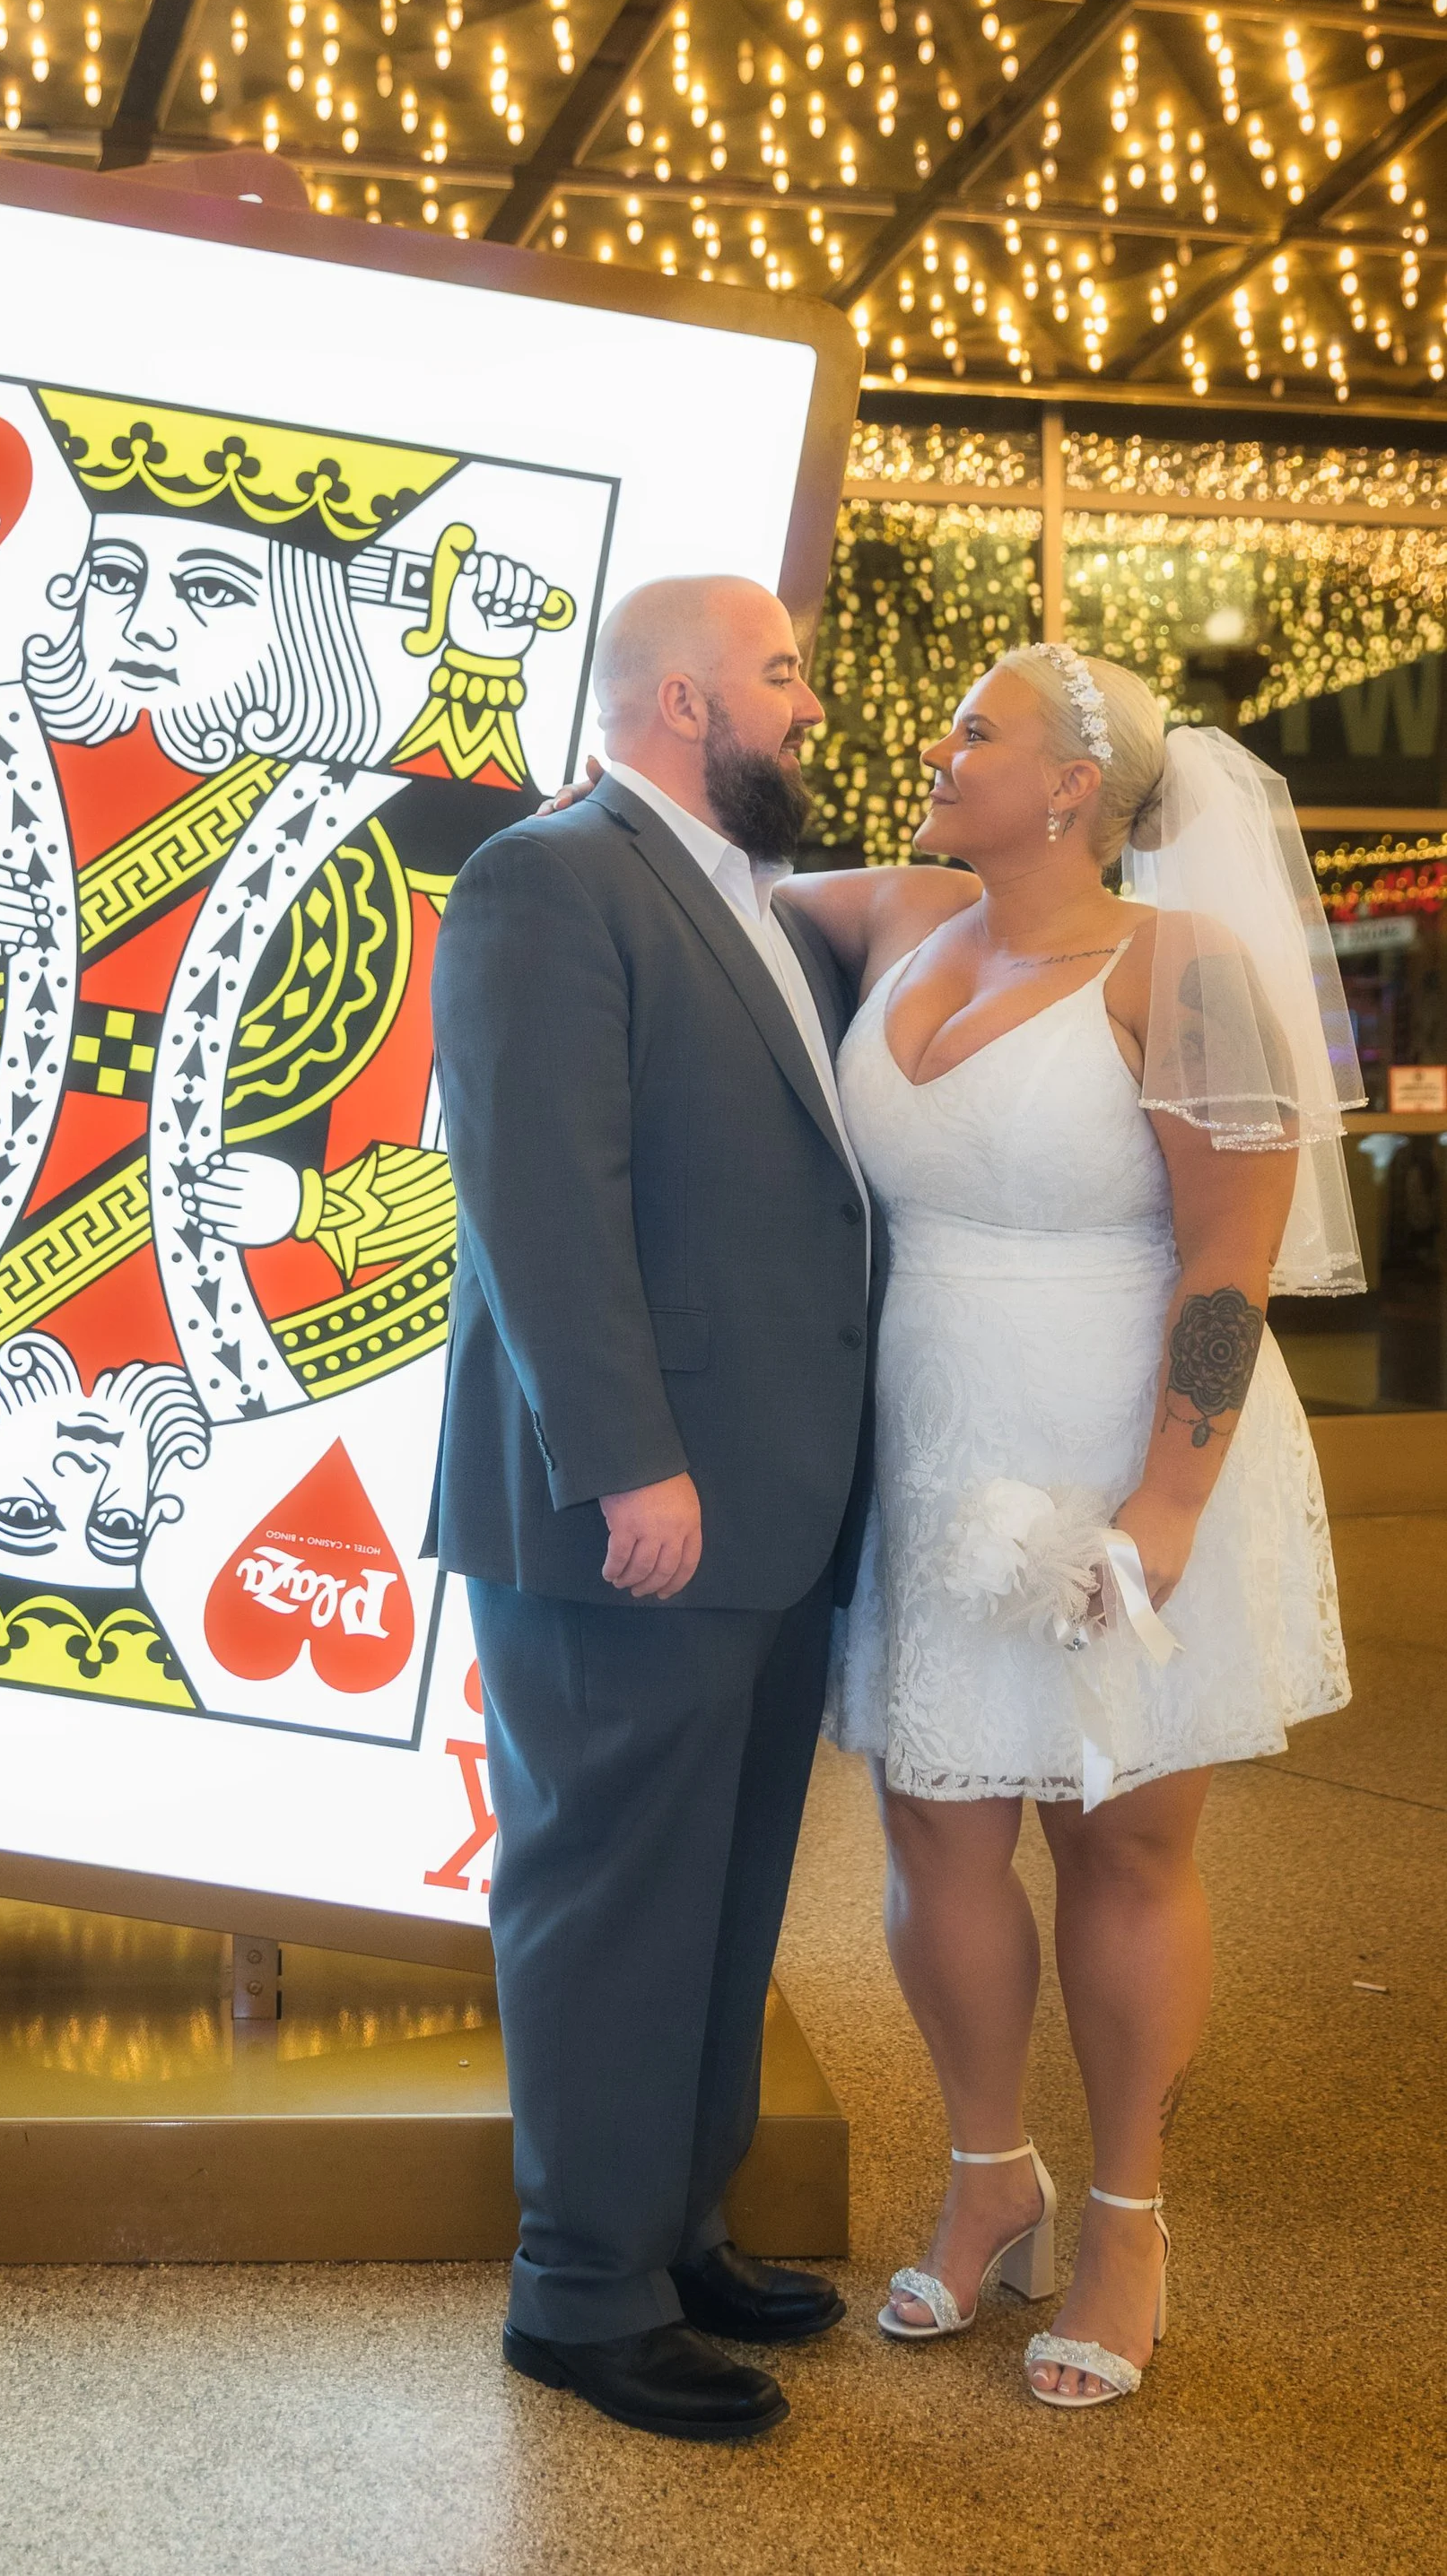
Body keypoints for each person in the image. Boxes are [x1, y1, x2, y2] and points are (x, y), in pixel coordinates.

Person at [780, 644, 1355, 2407]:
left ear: (1067, 792)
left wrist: (1164, 1498)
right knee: (933, 1834)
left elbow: (1225, 1258)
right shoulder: (891, 923)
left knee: (1117, 1845)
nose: (933, 747)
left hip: (1119, 1435)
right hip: (927, 1445)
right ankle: (984, 2180)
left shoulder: (1183, 970)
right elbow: (687, 869)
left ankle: (1123, 2218)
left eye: (975, 731)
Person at [428, 575, 876, 2444]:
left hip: (762, 1507)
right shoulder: (547, 878)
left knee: (711, 1897)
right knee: (608, 1900)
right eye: (779, 676)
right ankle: (578, 2293)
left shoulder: (748, 899)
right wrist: (627, 1460)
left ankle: (672, 2230)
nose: (805, 707)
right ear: (683, 698)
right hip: (637, 1510)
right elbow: (538, 1193)